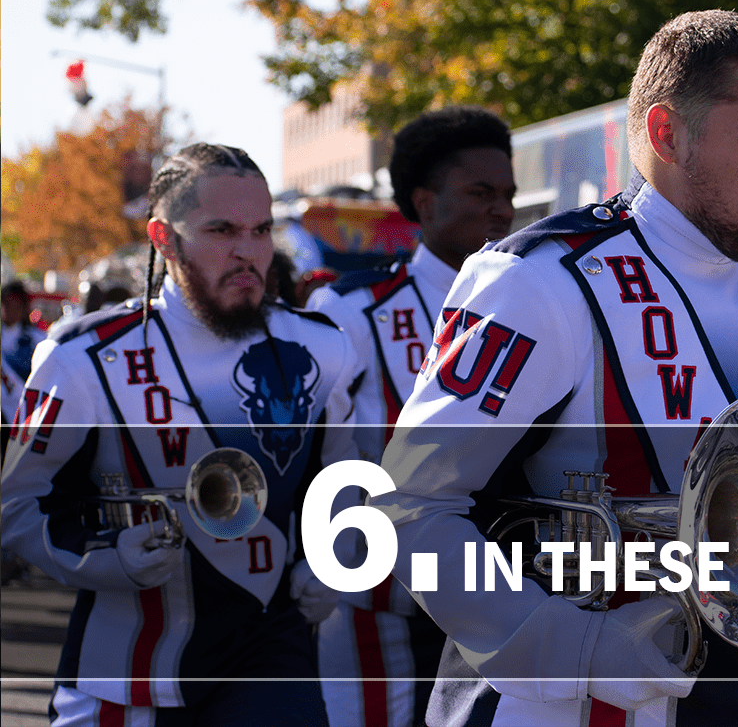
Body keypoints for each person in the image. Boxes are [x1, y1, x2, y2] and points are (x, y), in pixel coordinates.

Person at [373, 10, 738, 726]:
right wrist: (576, 646)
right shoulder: (538, 281)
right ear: (667, 135)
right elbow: (409, 508)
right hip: (561, 699)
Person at [0, 143, 361, 725]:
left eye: (261, 230)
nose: (248, 252)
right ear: (163, 239)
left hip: (274, 656)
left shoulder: (323, 346)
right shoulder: (82, 360)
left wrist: (337, 556)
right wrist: (105, 558)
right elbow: (14, 505)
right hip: (129, 676)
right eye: (222, 230)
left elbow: (345, 480)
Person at [308, 104, 516, 727]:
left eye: (506, 194)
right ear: (424, 204)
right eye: (480, 193)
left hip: (506, 602)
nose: (501, 211)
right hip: (383, 606)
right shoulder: (350, 310)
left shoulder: (539, 298)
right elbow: (323, 451)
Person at [2, 279, 48, 379]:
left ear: (24, 308)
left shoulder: (37, 339)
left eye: (16, 306)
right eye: (7, 305)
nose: (10, 311)